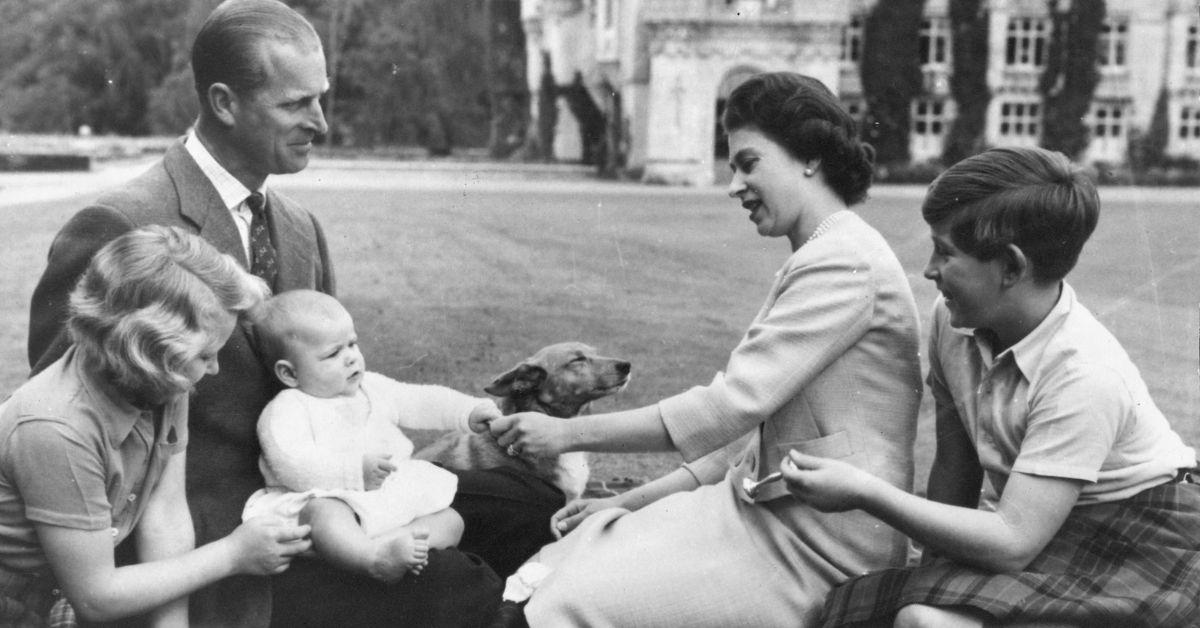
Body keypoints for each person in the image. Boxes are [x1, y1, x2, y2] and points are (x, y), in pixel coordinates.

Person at [25, 1, 556, 624]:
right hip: (222, 539)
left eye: (321, 98)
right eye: (295, 104)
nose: (322, 123)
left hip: (326, 493)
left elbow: (337, 381)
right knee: (452, 587)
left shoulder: (300, 229)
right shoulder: (121, 226)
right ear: (223, 103)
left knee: (530, 500)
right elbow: (73, 428)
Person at [487, 72, 923, 626]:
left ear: (810, 157)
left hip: (817, 550)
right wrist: (627, 501)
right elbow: (745, 440)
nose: (733, 184)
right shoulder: (822, 252)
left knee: (571, 601)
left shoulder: (844, 262)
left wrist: (566, 432)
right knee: (575, 552)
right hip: (761, 518)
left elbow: (729, 409)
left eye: (748, 163)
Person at [791, 147, 1200, 628]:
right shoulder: (953, 320)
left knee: (924, 623)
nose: (928, 270)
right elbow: (955, 467)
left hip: (1142, 536)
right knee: (865, 606)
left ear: (1011, 266)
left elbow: (1011, 543)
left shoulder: (1085, 373)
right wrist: (932, 573)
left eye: (945, 252)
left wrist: (865, 491)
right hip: (1042, 523)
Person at [0, 226, 309, 626]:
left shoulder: (161, 380)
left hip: (70, 586)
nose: (213, 369)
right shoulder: (55, 427)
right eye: (205, 356)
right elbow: (96, 596)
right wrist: (233, 555)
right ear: (145, 353)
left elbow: (164, 515)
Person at [243, 290, 502, 582]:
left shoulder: (371, 387)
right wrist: (353, 470)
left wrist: (466, 412)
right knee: (324, 514)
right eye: (333, 353)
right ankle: (372, 559)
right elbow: (290, 462)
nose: (351, 358)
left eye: (352, 344)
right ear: (290, 374)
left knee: (452, 520)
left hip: (382, 498)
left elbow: (419, 399)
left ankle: (399, 547)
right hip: (325, 496)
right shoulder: (288, 408)